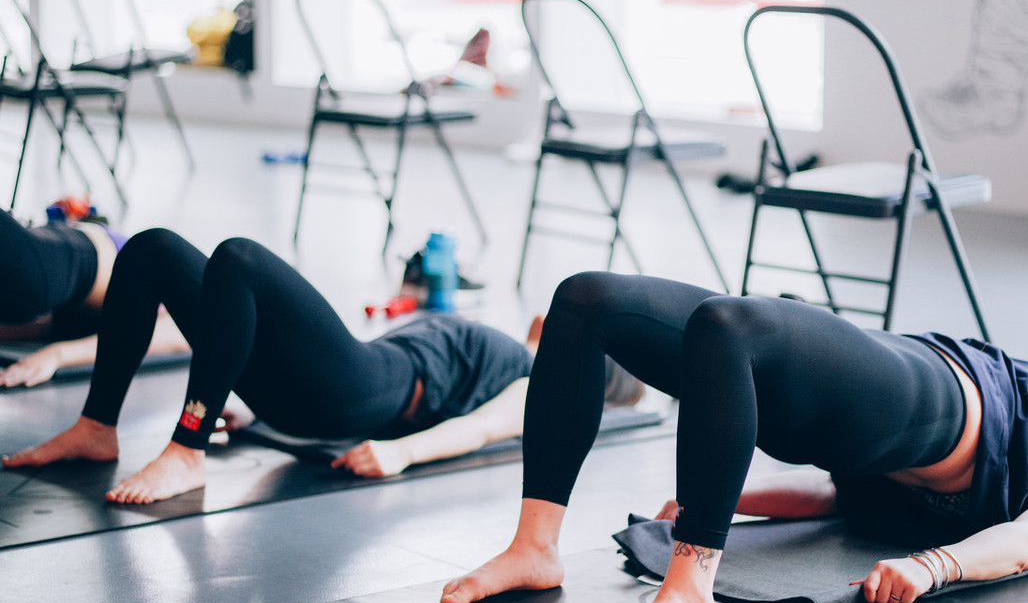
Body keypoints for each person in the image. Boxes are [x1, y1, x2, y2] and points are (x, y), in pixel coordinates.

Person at [440, 271, 1028, 603]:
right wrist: (729, 500)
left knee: (729, 325)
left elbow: (1027, 544)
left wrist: (933, 567)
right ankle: (534, 548)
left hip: (922, 406)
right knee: (583, 302)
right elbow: (832, 499)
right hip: (861, 401)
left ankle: (690, 597)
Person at [2, 230, 642, 504]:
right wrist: (66, 352)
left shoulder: (543, 381)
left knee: (241, 259)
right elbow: (222, 327)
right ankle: (97, 426)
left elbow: (484, 428)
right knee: (150, 250)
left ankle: (186, 450)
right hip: (314, 388)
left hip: (361, 393)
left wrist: (403, 456)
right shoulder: (509, 340)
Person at [0, 207, 187, 387]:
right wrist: (58, 355)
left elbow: (42, 326)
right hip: (73, 259)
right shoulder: (180, 279)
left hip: (51, 279)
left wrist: (56, 355)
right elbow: (176, 335)